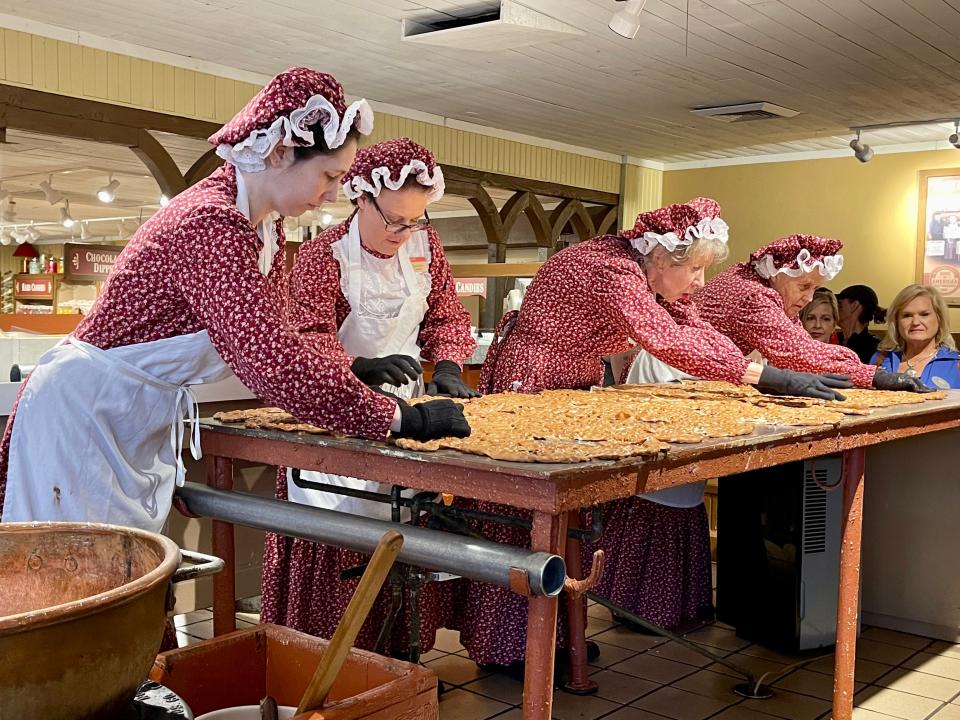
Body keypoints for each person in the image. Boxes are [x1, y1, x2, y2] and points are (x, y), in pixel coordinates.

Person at [0, 68, 469, 530]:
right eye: (328, 176)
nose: (330, 196)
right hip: (85, 415)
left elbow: (280, 334)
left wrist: (348, 369)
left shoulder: (266, 227)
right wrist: (399, 417)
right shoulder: (211, 223)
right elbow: (269, 362)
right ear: (281, 151)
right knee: (80, 585)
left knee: (121, 578)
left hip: (130, 415)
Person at [462, 199, 851, 675]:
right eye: (696, 270)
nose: (701, 283)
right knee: (525, 516)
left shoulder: (649, 273)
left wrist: (777, 373)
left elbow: (696, 330)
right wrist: (762, 375)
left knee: (566, 519)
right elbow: (665, 340)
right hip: (533, 377)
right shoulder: (612, 269)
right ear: (664, 258)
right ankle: (510, 648)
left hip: (572, 380)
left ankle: (560, 638)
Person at [261, 138, 476, 656]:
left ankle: (395, 661)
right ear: (360, 196)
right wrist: (355, 365)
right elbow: (306, 335)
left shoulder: (427, 248)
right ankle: (329, 660)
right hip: (335, 414)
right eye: (394, 221)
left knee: (402, 531)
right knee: (347, 535)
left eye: (415, 221)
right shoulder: (323, 255)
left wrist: (447, 362)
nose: (404, 234)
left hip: (408, 413)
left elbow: (445, 315)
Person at [694, 235, 930, 393]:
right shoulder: (754, 295)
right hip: (682, 377)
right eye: (804, 286)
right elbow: (798, 352)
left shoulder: (766, 285)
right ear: (777, 273)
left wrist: (863, 372)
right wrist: (874, 376)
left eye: (815, 289)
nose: (808, 298)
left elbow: (802, 342)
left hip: (705, 373)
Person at [872, 284, 960, 389]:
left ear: (939, 319)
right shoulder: (879, 359)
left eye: (924, 314)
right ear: (896, 322)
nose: (915, 322)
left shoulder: (956, 364)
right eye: (907, 315)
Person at [836, 284, 885, 363]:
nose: (835, 309)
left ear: (854, 305)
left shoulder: (874, 347)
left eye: (839, 305)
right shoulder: (833, 339)